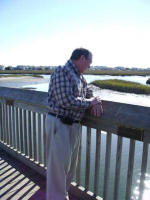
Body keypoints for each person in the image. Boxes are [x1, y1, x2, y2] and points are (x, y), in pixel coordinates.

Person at [45, 48, 103, 200]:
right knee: (58, 169)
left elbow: (89, 93)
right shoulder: (62, 71)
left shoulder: (81, 78)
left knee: (69, 168)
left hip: (73, 126)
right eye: (89, 62)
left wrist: (95, 101)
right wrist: (91, 102)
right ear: (82, 58)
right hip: (60, 123)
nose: (90, 66)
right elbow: (66, 101)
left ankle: (61, 196)